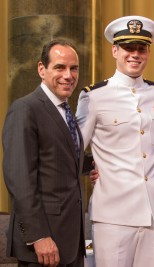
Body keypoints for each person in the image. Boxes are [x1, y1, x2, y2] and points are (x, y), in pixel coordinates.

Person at [75, 16, 154, 267]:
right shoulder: (94, 96)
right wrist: (92, 167)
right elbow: (72, 147)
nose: (135, 54)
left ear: (148, 52)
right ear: (115, 50)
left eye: (141, 48)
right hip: (113, 215)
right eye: (128, 47)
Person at [2, 39, 85, 267]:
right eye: (60, 67)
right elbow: (19, 179)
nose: (68, 75)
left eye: (74, 68)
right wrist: (38, 236)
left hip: (70, 242)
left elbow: (61, 158)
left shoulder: (66, 111)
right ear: (42, 69)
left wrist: (92, 167)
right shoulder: (25, 109)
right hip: (44, 244)